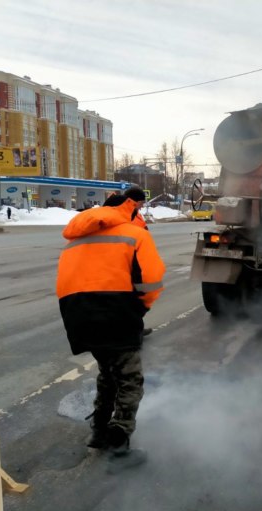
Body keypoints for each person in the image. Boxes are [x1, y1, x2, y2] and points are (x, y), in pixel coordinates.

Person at [56, 194, 165, 471]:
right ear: (129, 208)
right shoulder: (134, 234)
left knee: (108, 372)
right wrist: (139, 309)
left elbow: (65, 282)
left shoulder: (75, 239)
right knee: (130, 379)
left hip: (77, 314)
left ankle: (100, 430)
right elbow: (151, 281)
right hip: (116, 311)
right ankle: (120, 441)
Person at [122, 187, 154, 337]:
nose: (142, 206)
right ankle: (134, 333)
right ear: (134, 201)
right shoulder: (126, 215)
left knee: (135, 299)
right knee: (133, 299)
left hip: (136, 260)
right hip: (130, 262)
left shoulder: (135, 214)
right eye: (141, 202)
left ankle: (137, 329)